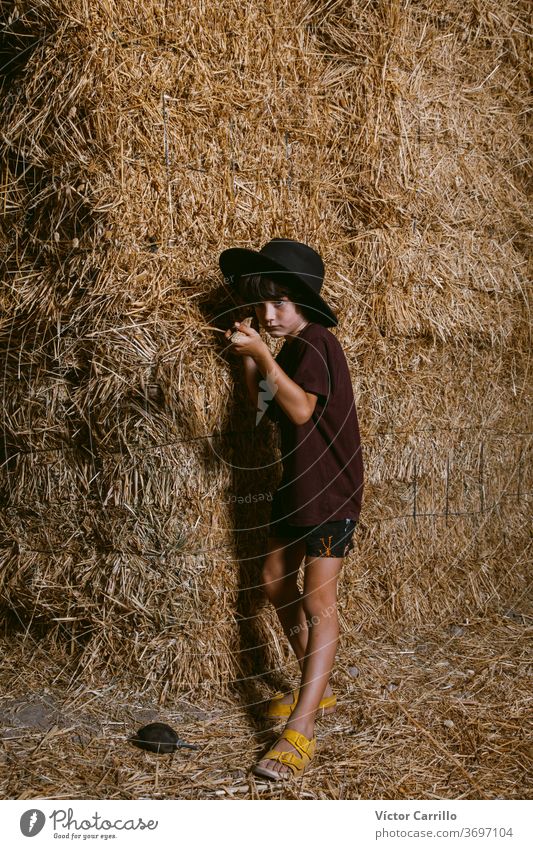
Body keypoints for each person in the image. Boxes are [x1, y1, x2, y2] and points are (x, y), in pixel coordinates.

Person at [219, 238, 364, 781]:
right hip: (296, 486)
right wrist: (251, 363)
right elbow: (263, 411)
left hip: (331, 489)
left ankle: (300, 730)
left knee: (317, 598)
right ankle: (316, 688)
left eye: (279, 302)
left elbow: (302, 410)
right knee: (273, 582)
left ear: (305, 303)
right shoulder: (290, 351)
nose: (268, 313)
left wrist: (261, 354)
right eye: (262, 304)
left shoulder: (319, 341)